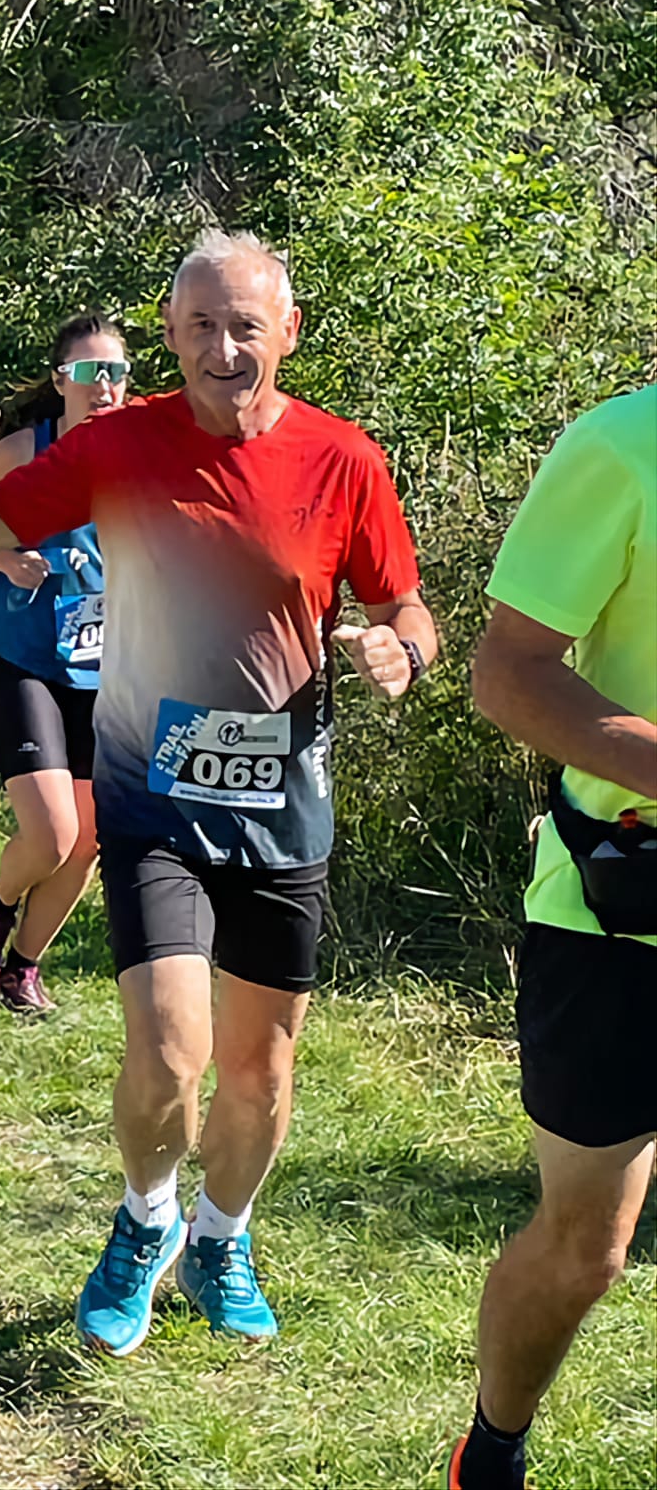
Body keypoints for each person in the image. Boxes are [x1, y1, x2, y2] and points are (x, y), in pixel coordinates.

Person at [0, 228, 436, 1349]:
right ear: (172, 337)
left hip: (283, 807)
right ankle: (145, 1221)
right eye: (199, 327)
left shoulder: (344, 459)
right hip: (154, 798)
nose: (223, 348)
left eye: (245, 326)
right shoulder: (121, 443)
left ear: (288, 331)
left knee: (260, 1070)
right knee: (172, 1045)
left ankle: (221, 1236)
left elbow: (405, 607)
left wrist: (403, 651)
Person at [446, 385, 655, 1490]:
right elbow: (508, 672)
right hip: (622, 907)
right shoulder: (625, 443)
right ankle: (493, 1445)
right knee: (589, 1247)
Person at [0, 315, 126, 1014]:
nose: (104, 386)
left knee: (87, 841)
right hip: (23, 656)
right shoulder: (27, 450)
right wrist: (0, 556)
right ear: (61, 381)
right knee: (52, 833)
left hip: (105, 667)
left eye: (116, 372)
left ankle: (23, 969)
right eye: (88, 372)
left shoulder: (140, 453)